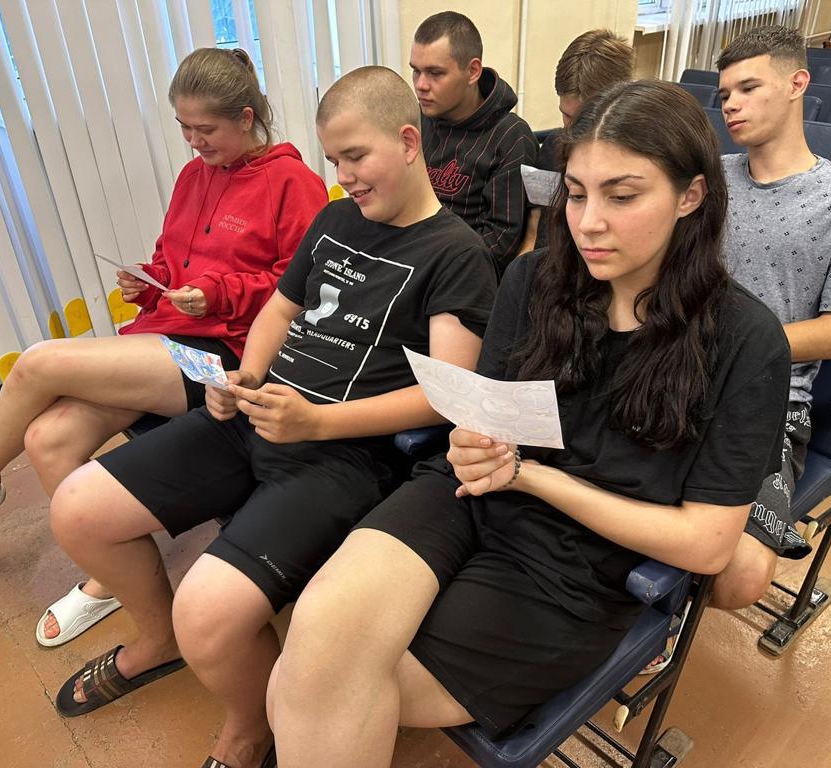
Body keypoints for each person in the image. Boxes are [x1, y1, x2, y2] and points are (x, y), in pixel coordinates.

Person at [267, 80, 792, 766]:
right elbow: (490, 412)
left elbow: (707, 545)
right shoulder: (534, 281)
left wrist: (534, 478)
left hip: (576, 562)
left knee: (331, 688)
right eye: (575, 194)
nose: (589, 222)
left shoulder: (746, 341)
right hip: (469, 493)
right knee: (312, 653)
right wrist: (473, 441)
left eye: (622, 196)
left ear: (690, 196)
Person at [47, 66, 496, 768]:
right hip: (259, 414)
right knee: (77, 509)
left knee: (208, 613)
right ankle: (160, 641)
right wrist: (245, 378)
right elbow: (279, 312)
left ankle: (249, 726)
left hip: (344, 455)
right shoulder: (336, 219)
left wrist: (314, 423)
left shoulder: (455, 254)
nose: (344, 177)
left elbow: (448, 395)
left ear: (408, 142)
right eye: (334, 160)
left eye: (356, 157)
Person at [0, 47, 328, 648]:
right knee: (47, 439)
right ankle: (115, 575)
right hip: (169, 336)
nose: (193, 141)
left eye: (205, 129)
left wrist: (215, 293)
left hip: (230, 355)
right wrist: (151, 280)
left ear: (247, 118)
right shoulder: (194, 176)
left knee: (38, 363)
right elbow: (175, 258)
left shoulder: (293, 183)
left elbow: (299, 288)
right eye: (184, 128)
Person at [707, 25, 831, 612]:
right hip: (674, 371)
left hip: (766, 399)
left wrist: (730, 347)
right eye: (724, 93)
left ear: (796, 83)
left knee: (741, 577)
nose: (730, 105)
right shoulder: (711, 180)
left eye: (748, 88)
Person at [410, 11, 538, 273]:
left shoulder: (510, 137)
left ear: (472, 71)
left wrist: (428, 265)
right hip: (407, 257)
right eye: (416, 71)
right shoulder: (415, 121)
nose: (421, 85)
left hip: (460, 274)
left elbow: (500, 245)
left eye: (435, 73)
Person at [523, 28, 635, 252]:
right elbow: (535, 230)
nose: (571, 130)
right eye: (566, 115)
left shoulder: (641, 161)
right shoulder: (554, 147)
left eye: (584, 119)